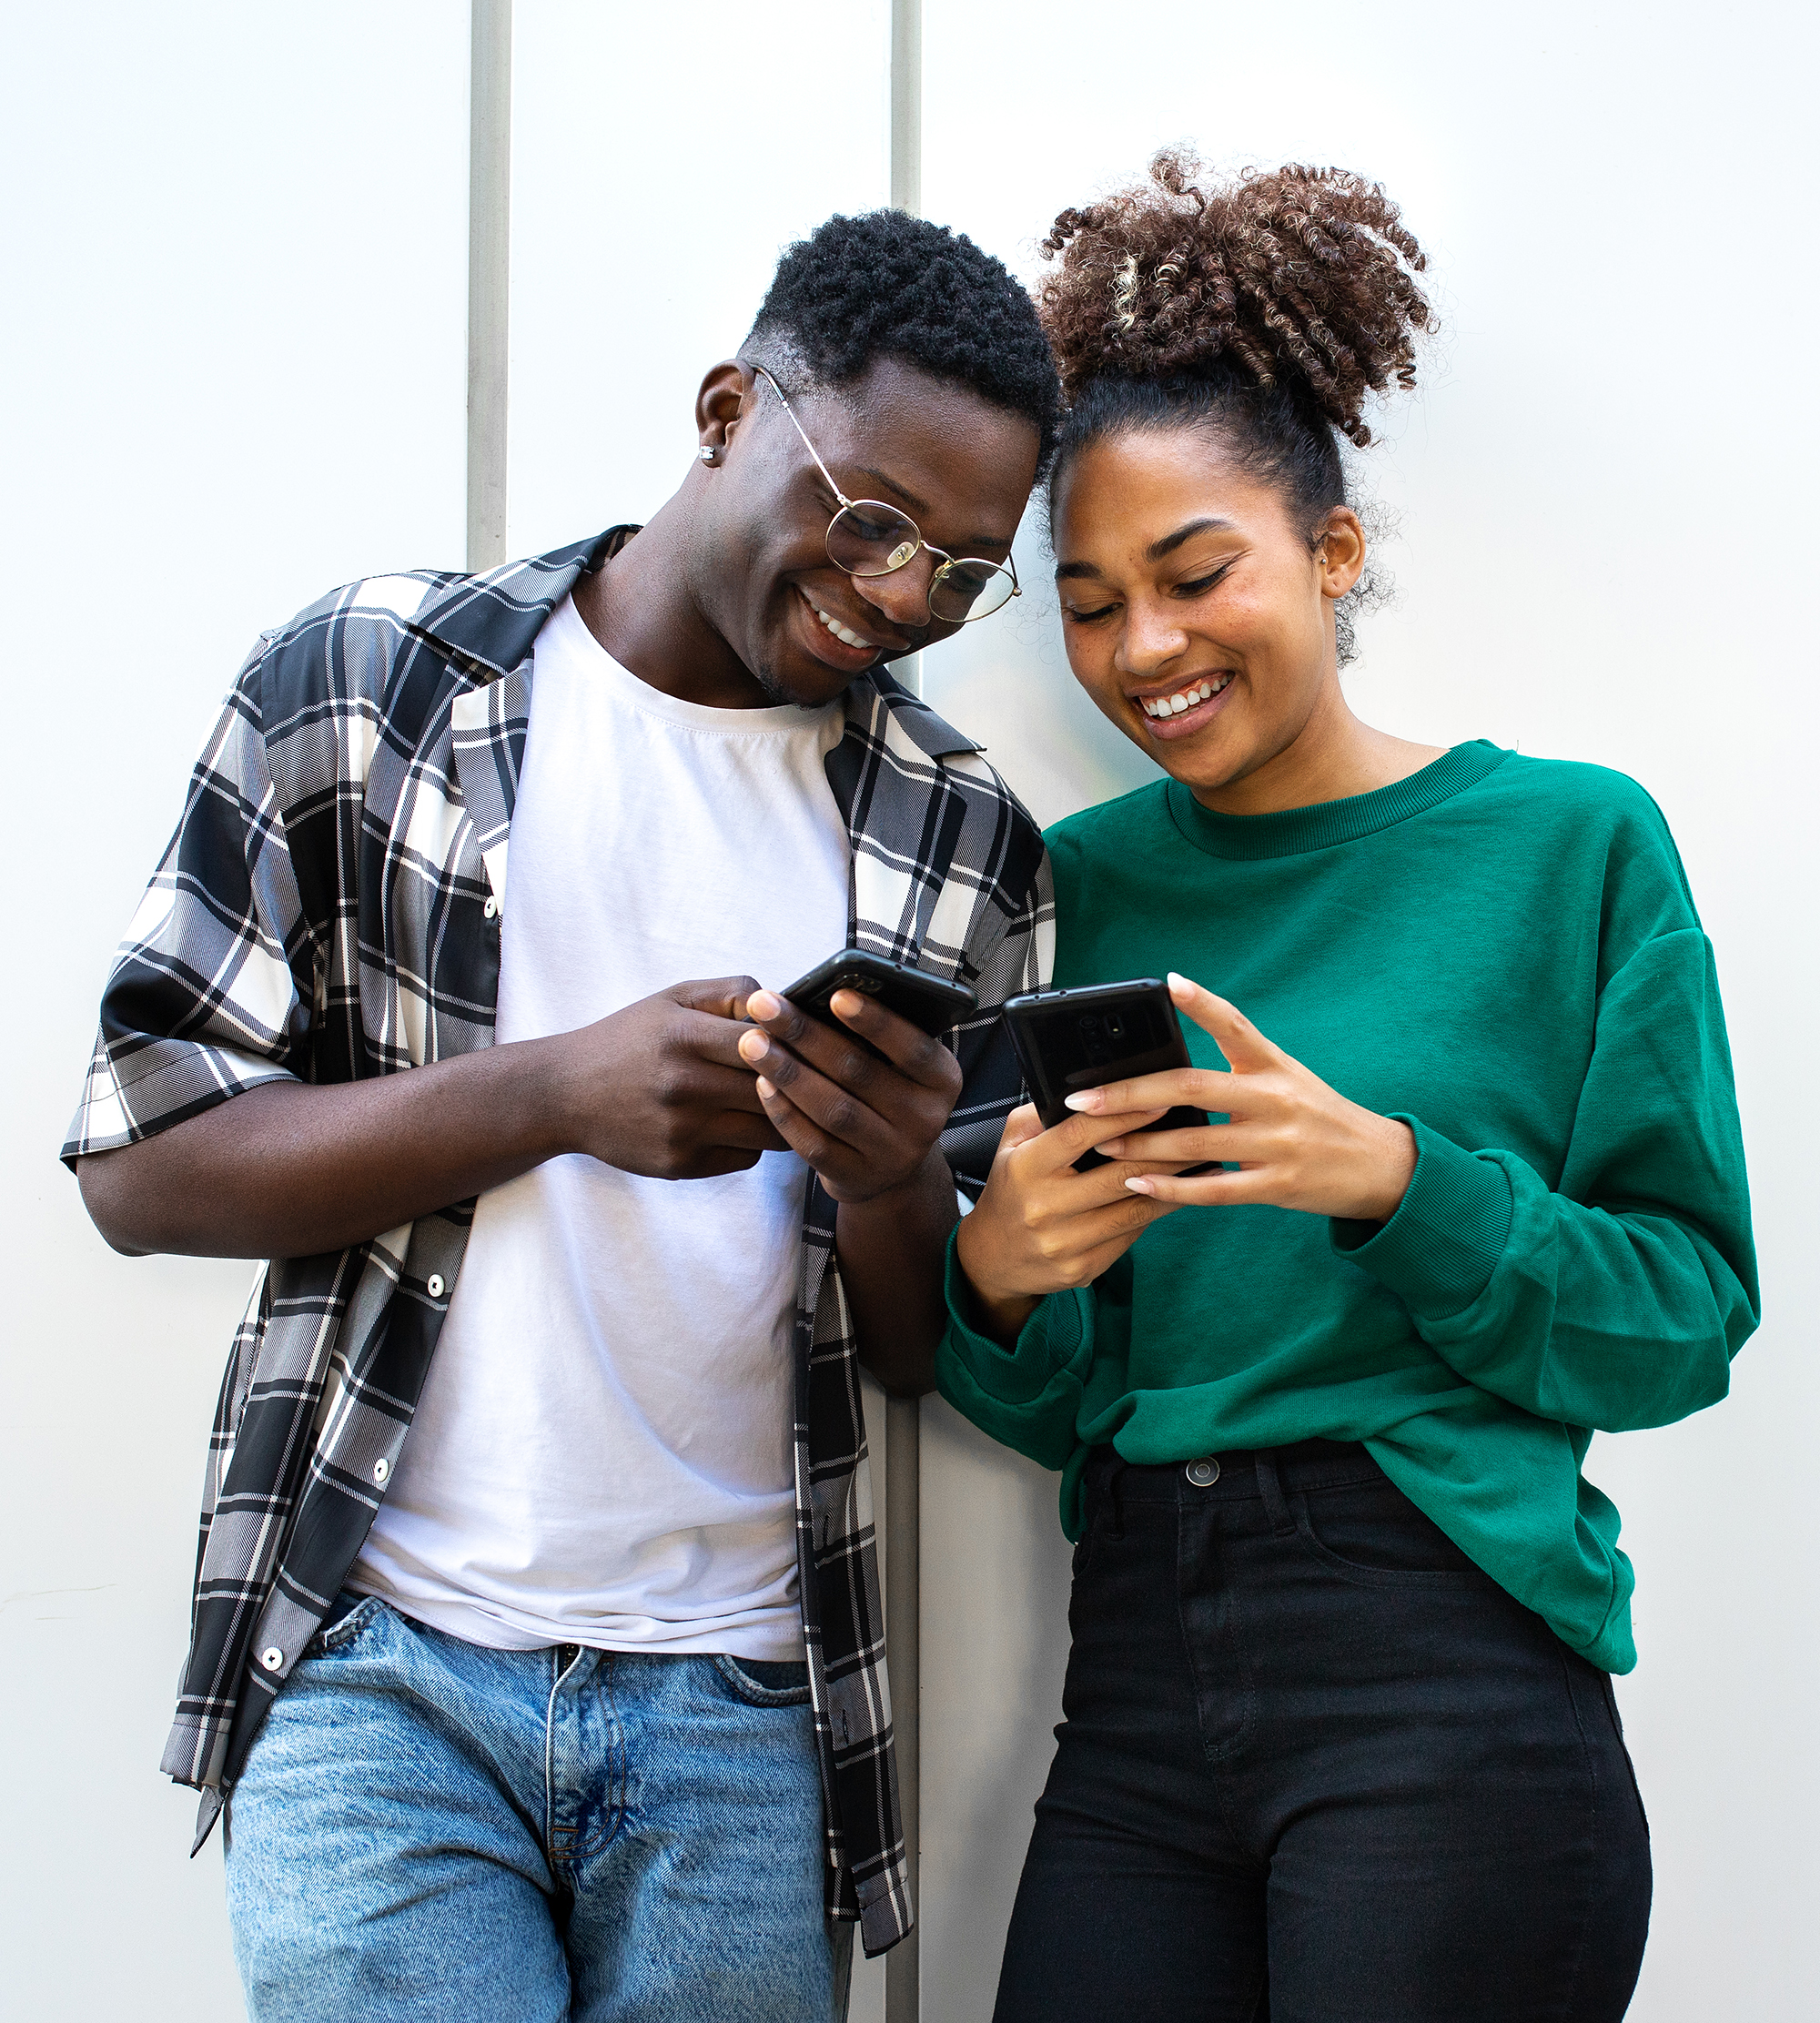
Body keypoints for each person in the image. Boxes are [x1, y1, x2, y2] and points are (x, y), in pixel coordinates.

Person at [66, 210, 1059, 2021]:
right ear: (726, 410)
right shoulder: (367, 683)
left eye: (961, 568)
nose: (903, 594)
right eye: (873, 520)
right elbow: (142, 1164)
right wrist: (545, 1092)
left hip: (745, 1706)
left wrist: (894, 1173)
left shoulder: (956, 835)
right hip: (378, 1666)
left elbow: (921, 1353)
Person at [939, 154, 1757, 2023]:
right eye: (1086, 601)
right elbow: (1058, 1390)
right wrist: (1002, 1278)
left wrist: (1398, 1180)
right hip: (1135, 1658)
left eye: (1192, 571)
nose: (1143, 645)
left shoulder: (1569, 844)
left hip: (1441, 1658)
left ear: (1329, 550)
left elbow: (1685, 1318)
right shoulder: (1087, 884)